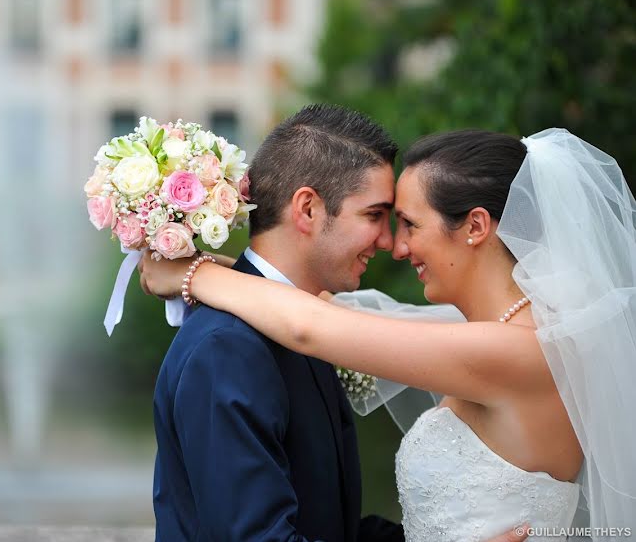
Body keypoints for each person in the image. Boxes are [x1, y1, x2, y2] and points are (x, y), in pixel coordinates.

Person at [142, 127, 636, 540]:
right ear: (309, 209)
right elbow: (323, 313)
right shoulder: (512, 335)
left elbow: (310, 325)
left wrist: (194, 274)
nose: (394, 247)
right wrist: (221, 269)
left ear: (475, 226)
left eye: (406, 223)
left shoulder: (515, 351)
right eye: (379, 218)